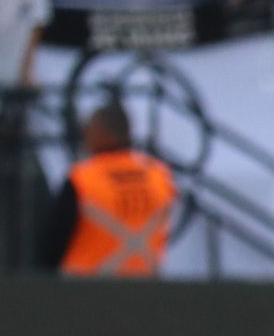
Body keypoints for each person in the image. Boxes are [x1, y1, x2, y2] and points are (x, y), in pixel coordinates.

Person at [43, 102, 177, 276]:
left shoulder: (83, 179)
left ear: (102, 133)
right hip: (146, 289)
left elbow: (52, 244)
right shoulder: (159, 175)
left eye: (88, 129)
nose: (84, 136)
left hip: (86, 293)